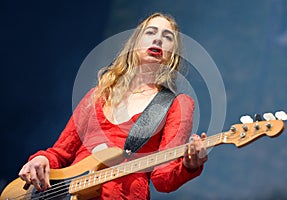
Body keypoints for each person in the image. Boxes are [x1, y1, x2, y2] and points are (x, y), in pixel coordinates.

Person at [18, 12, 208, 199]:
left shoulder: (176, 104)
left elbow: (163, 179)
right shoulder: (99, 94)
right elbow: (60, 153)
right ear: (134, 44)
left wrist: (189, 165)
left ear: (172, 54)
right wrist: (41, 159)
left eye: (168, 37)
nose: (158, 39)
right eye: (150, 33)